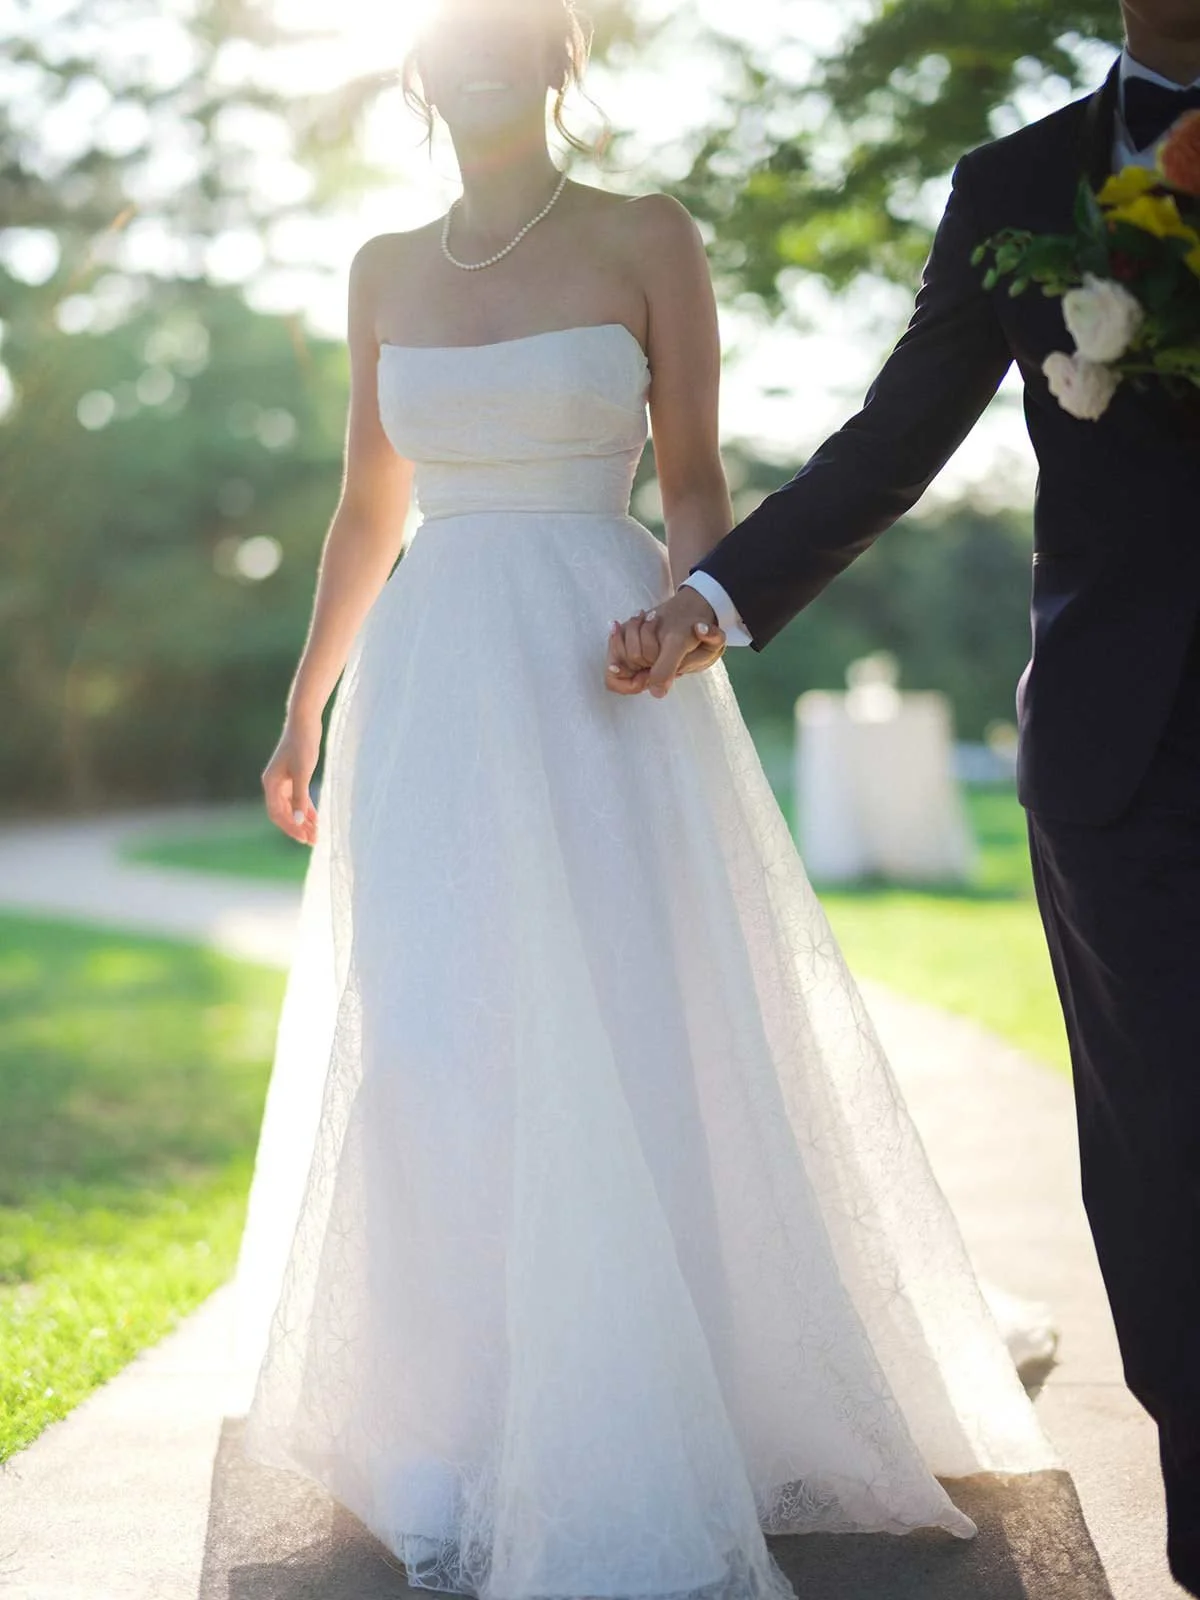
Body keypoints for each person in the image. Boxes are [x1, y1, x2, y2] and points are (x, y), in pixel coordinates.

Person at [233, 3, 1057, 1598]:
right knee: (435, 1029)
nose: (475, 68)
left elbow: (692, 472)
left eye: (507, 43)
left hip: (599, 657)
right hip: (430, 679)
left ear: (559, 65)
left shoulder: (644, 235)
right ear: (414, 71)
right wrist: (304, 703)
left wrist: (685, 603)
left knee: (634, 1005)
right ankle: (457, 1416)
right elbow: (362, 501)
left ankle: (677, 1389)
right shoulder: (382, 266)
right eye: (449, 46)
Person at [607, 3, 1200, 1594]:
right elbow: (894, 439)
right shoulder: (1018, 182)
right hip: (1123, 742)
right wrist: (714, 598)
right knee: (1164, 1138)